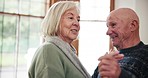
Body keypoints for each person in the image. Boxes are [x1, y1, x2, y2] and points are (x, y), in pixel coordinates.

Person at [28, 1, 91, 78]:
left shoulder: (67, 51)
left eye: (78, 19)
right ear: (55, 20)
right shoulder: (49, 50)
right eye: (70, 18)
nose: (77, 23)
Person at [92, 8, 148, 78]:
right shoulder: (109, 60)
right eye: (108, 26)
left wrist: (120, 74)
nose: (108, 32)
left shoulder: (146, 54)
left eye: (113, 25)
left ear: (133, 25)